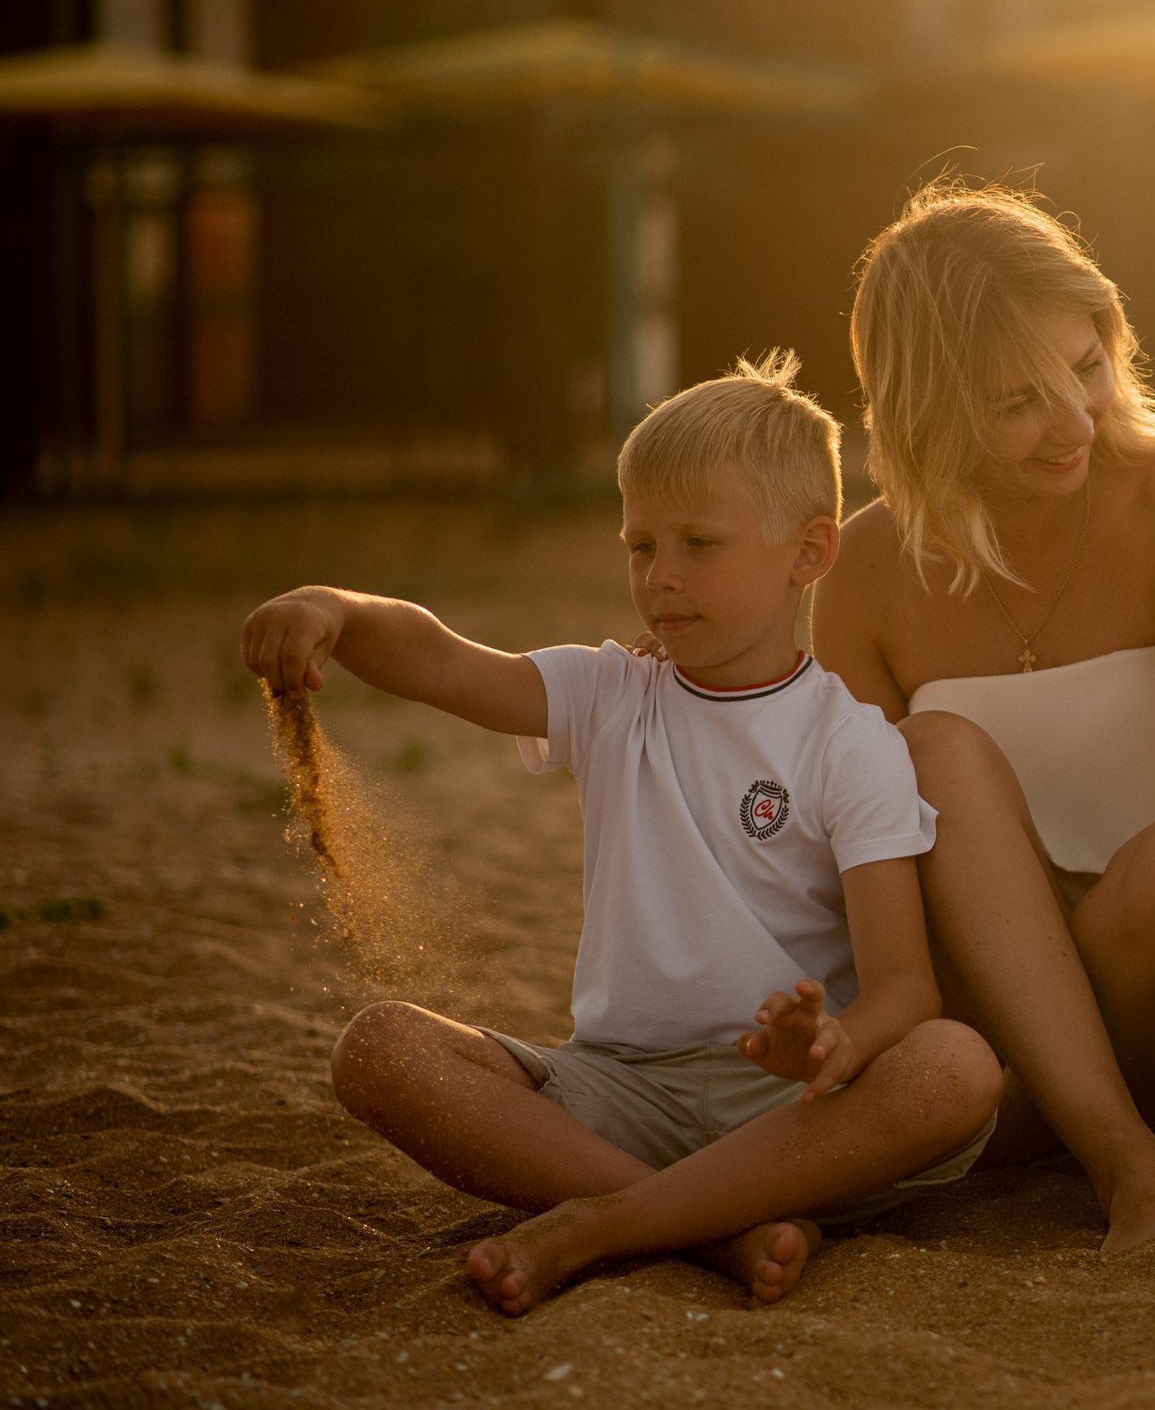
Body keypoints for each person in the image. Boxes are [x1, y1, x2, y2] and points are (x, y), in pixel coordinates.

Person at [241, 354, 1001, 1315]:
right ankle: (710, 1227)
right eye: (640, 545)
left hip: (794, 1119)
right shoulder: (610, 693)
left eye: (699, 543)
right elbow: (442, 660)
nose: (661, 576)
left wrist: (837, 1041)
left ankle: (602, 1224)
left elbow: (906, 985)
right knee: (379, 1049)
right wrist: (336, 610)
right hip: (621, 1094)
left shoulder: (852, 743)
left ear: (809, 552)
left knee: (955, 1067)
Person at [811, 179, 1155, 1253]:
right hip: (995, 1005)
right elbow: (859, 863)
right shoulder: (862, 568)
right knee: (930, 754)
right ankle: (1117, 1152)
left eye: (1087, 364)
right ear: (924, 409)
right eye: (1017, 400)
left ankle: (1041, 1123)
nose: (1073, 420)